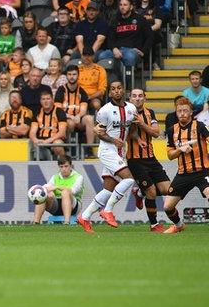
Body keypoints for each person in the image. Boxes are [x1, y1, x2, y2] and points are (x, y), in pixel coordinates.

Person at [77, 81, 138, 233]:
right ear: (109, 93)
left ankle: (84, 217)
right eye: (113, 89)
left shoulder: (131, 108)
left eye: (119, 88)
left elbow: (132, 129)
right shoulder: (104, 111)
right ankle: (108, 210)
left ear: (123, 90)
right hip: (107, 150)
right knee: (129, 179)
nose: (116, 91)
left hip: (119, 152)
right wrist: (113, 140)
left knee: (108, 190)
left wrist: (136, 140)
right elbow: (99, 132)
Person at [126, 88, 171, 232]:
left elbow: (156, 133)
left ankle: (140, 192)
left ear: (145, 98)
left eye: (140, 96)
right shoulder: (125, 112)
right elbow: (126, 133)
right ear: (130, 98)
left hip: (151, 157)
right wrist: (137, 136)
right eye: (134, 96)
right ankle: (154, 225)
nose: (137, 98)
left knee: (167, 189)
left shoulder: (149, 112)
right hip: (135, 159)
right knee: (151, 191)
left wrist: (142, 123)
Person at [163, 97, 209, 234]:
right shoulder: (172, 130)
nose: (182, 113)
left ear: (191, 113)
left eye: (185, 111)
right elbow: (170, 155)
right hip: (183, 173)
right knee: (167, 207)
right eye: (179, 111)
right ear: (176, 113)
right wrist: (180, 149)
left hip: (203, 171)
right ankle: (178, 225)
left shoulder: (200, 126)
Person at [99, 0, 152, 77]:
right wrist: (114, 49)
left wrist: (143, 51)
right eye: (120, 5)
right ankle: (111, 83)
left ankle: (128, 85)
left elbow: (150, 36)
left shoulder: (140, 19)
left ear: (131, 7)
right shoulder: (115, 20)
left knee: (129, 56)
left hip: (132, 50)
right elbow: (110, 38)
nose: (122, 7)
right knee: (102, 56)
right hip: (117, 49)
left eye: (125, 5)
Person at [33, 155, 84, 224]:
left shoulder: (78, 177)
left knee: (65, 192)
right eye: (61, 167)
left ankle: (66, 221)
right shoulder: (55, 177)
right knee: (44, 194)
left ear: (71, 166)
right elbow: (45, 187)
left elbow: (74, 191)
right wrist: (47, 192)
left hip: (74, 206)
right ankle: (36, 222)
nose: (64, 169)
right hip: (56, 206)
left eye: (66, 166)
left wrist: (57, 187)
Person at [55, 65, 94, 150]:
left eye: (74, 74)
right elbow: (58, 110)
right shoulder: (61, 90)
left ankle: (89, 148)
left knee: (89, 119)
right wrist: (71, 117)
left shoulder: (82, 91)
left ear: (78, 75)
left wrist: (78, 116)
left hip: (78, 119)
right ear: (66, 76)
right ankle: (68, 148)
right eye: (69, 74)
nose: (71, 77)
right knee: (70, 123)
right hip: (65, 119)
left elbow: (83, 110)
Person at [29, 90, 68, 159]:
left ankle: (63, 163)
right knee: (29, 143)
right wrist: (35, 140)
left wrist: (47, 141)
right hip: (40, 141)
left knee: (58, 144)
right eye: (43, 99)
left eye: (48, 99)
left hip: (54, 140)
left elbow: (62, 132)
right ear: (40, 101)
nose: (45, 101)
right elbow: (32, 131)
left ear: (52, 100)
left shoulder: (59, 111)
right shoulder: (37, 112)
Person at [78, 47, 107, 112]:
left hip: (94, 97)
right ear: (81, 56)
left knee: (96, 104)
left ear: (93, 57)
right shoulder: (77, 69)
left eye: (89, 55)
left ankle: (98, 121)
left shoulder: (100, 70)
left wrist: (89, 97)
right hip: (79, 97)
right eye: (84, 55)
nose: (86, 57)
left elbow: (102, 90)